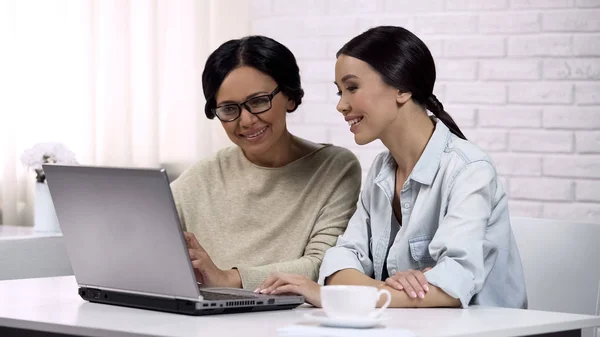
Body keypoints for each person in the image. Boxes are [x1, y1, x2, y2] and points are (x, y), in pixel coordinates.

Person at [256, 26, 527, 309]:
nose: (341, 105)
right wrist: (387, 290)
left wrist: (333, 297)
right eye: (339, 91)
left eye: (352, 88)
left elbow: (452, 287)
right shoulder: (382, 170)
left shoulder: (469, 170)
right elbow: (340, 264)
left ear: (402, 89)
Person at [170, 36, 362, 291]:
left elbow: (322, 265)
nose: (247, 121)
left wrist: (228, 278)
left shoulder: (334, 168)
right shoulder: (201, 177)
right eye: (228, 109)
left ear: (290, 97)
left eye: (259, 101)